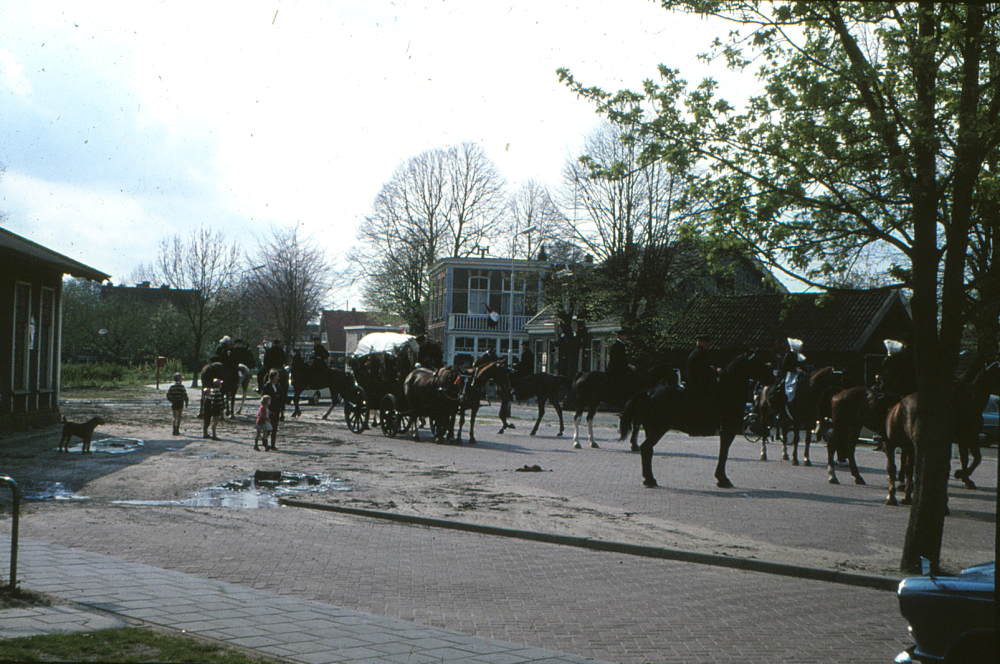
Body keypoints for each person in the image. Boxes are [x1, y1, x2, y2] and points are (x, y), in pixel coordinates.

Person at [685, 334, 717, 435]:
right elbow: (705, 370)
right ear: (701, 343)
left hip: (693, 381)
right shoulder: (701, 353)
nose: (708, 345)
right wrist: (717, 373)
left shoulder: (695, 353)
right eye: (706, 342)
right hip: (699, 384)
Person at [260, 369, 284, 451]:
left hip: (276, 408)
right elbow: (264, 397)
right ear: (272, 376)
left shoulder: (278, 386)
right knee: (268, 428)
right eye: (276, 376)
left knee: (274, 428)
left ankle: (273, 444)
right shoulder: (267, 386)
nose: (277, 378)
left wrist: (282, 410)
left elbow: (282, 398)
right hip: (269, 409)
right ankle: (265, 441)